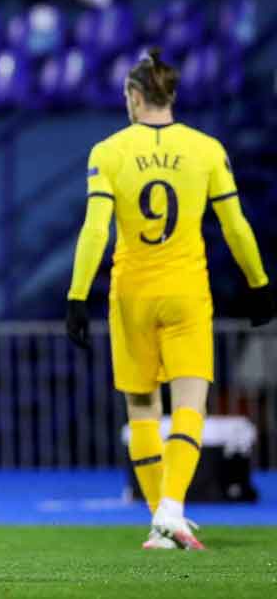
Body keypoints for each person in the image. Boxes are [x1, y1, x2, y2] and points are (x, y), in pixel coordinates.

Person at [65, 48, 275, 551]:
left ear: (135, 97)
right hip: (185, 293)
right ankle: (171, 512)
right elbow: (235, 226)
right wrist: (260, 283)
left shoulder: (108, 152)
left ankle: (164, 518)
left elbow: (95, 231)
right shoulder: (206, 149)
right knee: (189, 406)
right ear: (172, 95)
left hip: (131, 293)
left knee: (141, 410)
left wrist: (76, 297)